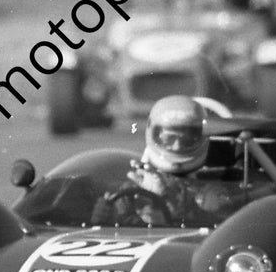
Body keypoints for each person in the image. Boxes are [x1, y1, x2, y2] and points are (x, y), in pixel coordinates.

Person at [94, 95, 220, 226]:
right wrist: (104, 217)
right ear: (153, 134)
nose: (177, 146)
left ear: (202, 138)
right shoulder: (133, 188)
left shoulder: (214, 188)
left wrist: (166, 212)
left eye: (187, 140)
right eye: (169, 139)